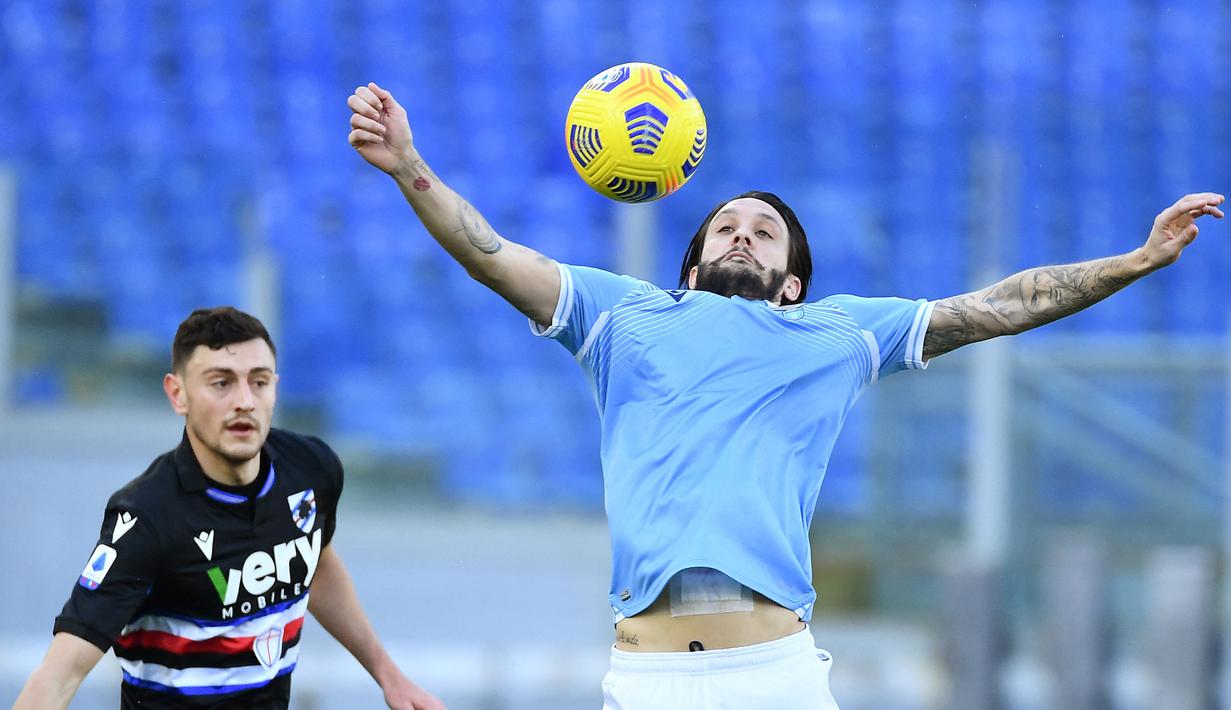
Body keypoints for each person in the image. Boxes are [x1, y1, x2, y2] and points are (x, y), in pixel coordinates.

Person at [346, 81, 1223, 709]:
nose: (742, 234)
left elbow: (995, 307)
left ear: (793, 283)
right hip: (644, 679)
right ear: (692, 266)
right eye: (725, 225)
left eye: (764, 232)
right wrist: (408, 165)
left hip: (773, 677)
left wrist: (1132, 261)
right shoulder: (622, 317)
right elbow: (491, 254)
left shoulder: (838, 334)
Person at [14, 307, 444, 710]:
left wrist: (388, 674)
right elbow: (59, 676)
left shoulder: (312, 468)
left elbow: (316, 562)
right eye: (221, 383)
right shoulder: (147, 517)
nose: (244, 401)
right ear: (178, 394)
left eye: (259, 381)